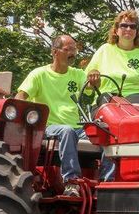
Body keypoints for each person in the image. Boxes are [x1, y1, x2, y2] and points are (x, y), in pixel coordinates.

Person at [15, 35, 87, 196]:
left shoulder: (78, 74)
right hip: (48, 127)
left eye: (75, 49)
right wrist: (21, 121)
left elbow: (92, 87)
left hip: (77, 128)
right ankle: (71, 182)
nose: (73, 53)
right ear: (55, 52)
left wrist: (95, 76)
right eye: (68, 49)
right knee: (66, 131)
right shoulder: (39, 74)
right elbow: (20, 97)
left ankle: (107, 181)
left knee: (105, 134)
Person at [85, 9, 139, 113]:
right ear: (116, 30)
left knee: (135, 110)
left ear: (137, 31)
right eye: (124, 25)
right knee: (109, 111)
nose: (128, 29)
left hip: (138, 98)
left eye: (133, 26)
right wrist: (93, 80)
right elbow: (85, 84)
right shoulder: (104, 50)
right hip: (107, 99)